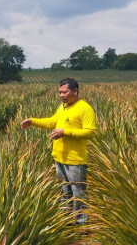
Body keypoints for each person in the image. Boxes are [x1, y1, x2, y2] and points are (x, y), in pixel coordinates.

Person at [20, 78, 96, 225]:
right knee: (64, 191)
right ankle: (66, 221)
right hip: (59, 158)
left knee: (78, 192)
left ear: (75, 91)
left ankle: (82, 224)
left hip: (75, 160)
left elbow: (91, 132)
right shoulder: (63, 107)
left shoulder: (85, 108)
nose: (61, 95)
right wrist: (32, 121)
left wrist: (65, 132)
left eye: (64, 92)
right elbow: (52, 121)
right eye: (60, 92)